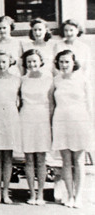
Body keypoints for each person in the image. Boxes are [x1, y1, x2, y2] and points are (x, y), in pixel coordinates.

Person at [52, 50, 94, 208]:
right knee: (66, 161)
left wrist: (90, 125)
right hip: (61, 122)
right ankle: (69, 195)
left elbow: (90, 105)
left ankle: (79, 196)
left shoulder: (83, 79)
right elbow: (52, 104)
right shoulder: (56, 80)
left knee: (78, 161)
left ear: (74, 63)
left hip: (79, 122)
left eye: (67, 62)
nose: (64, 65)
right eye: (61, 62)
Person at [0, 51, 21, 204]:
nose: (1, 65)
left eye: (4, 62)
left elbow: (20, 101)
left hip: (11, 117)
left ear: (10, 62)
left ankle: (6, 192)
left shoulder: (17, 80)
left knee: (8, 156)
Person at [20, 49, 54, 205]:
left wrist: (51, 123)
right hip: (26, 117)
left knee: (41, 159)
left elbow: (52, 104)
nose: (32, 64)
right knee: (28, 160)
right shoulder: (22, 79)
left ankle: (40, 194)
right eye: (29, 62)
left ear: (40, 61)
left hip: (42, 118)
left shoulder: (48, 79)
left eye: (34, 61)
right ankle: (31, 193)